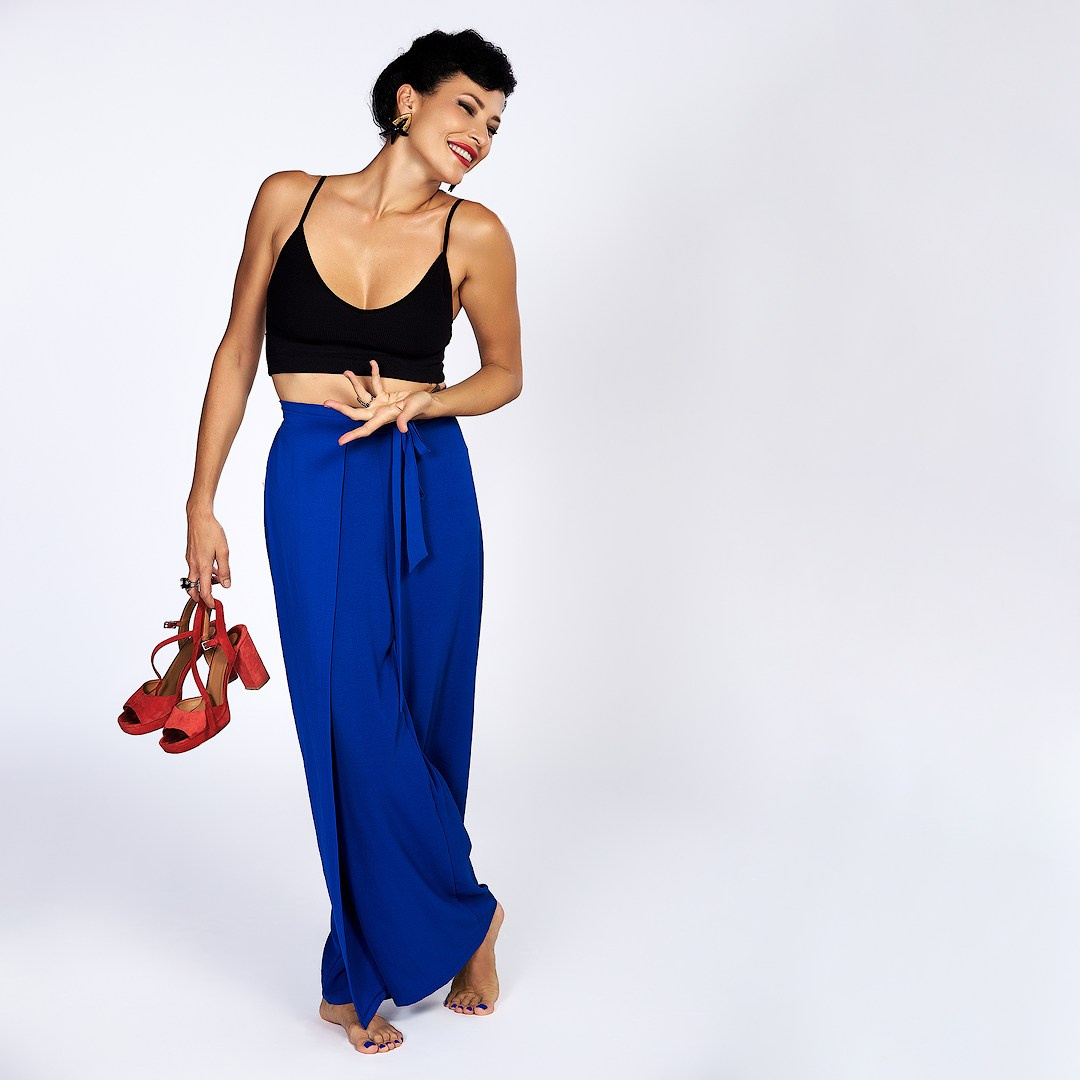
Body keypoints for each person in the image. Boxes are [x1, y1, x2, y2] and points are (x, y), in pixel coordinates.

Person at [181, 28, 520, 1055]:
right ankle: (465, 915)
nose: (481, 134)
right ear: (408, 100)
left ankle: (359, 969)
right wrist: (201, 502)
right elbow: (238, 349)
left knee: (423, 715)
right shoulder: (288, 199)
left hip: (426, 478)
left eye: (496, 124)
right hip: (313, 476)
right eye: (467, 107)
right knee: (347, 720)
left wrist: (427, 398)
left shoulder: (476, 234)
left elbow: (504, 373)